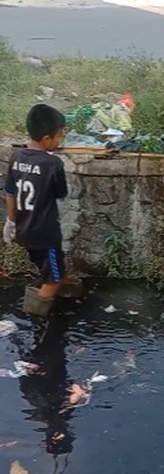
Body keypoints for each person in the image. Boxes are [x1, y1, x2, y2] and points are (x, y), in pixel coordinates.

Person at [3, 104, 83, 317]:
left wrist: (11, 222)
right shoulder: (52, 163)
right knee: (52, 279)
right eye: (59, 137)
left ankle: (67, 288)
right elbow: (60, 193)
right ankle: (37, 320)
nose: (60, 142)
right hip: (46, 234)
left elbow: (10, 193)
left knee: (50, 265)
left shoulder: (16, 157)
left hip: (24, 229)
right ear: (47, 138)